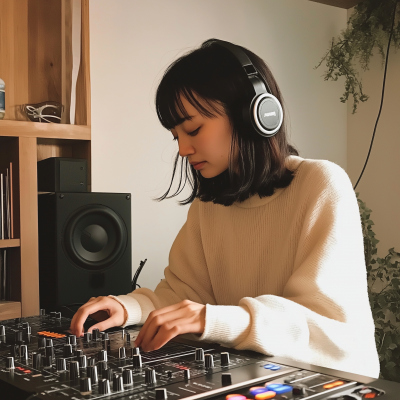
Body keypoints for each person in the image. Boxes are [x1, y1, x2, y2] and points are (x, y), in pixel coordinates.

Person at [70, 39, 379, 378]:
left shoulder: (321, 184)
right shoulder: (209, 204)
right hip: (251, 379)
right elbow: (182, 295)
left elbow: (327, 329)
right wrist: (128, 307)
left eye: (193, 129)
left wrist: (214, 318)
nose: (183, 149)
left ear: (255, 115)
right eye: (176, 136)